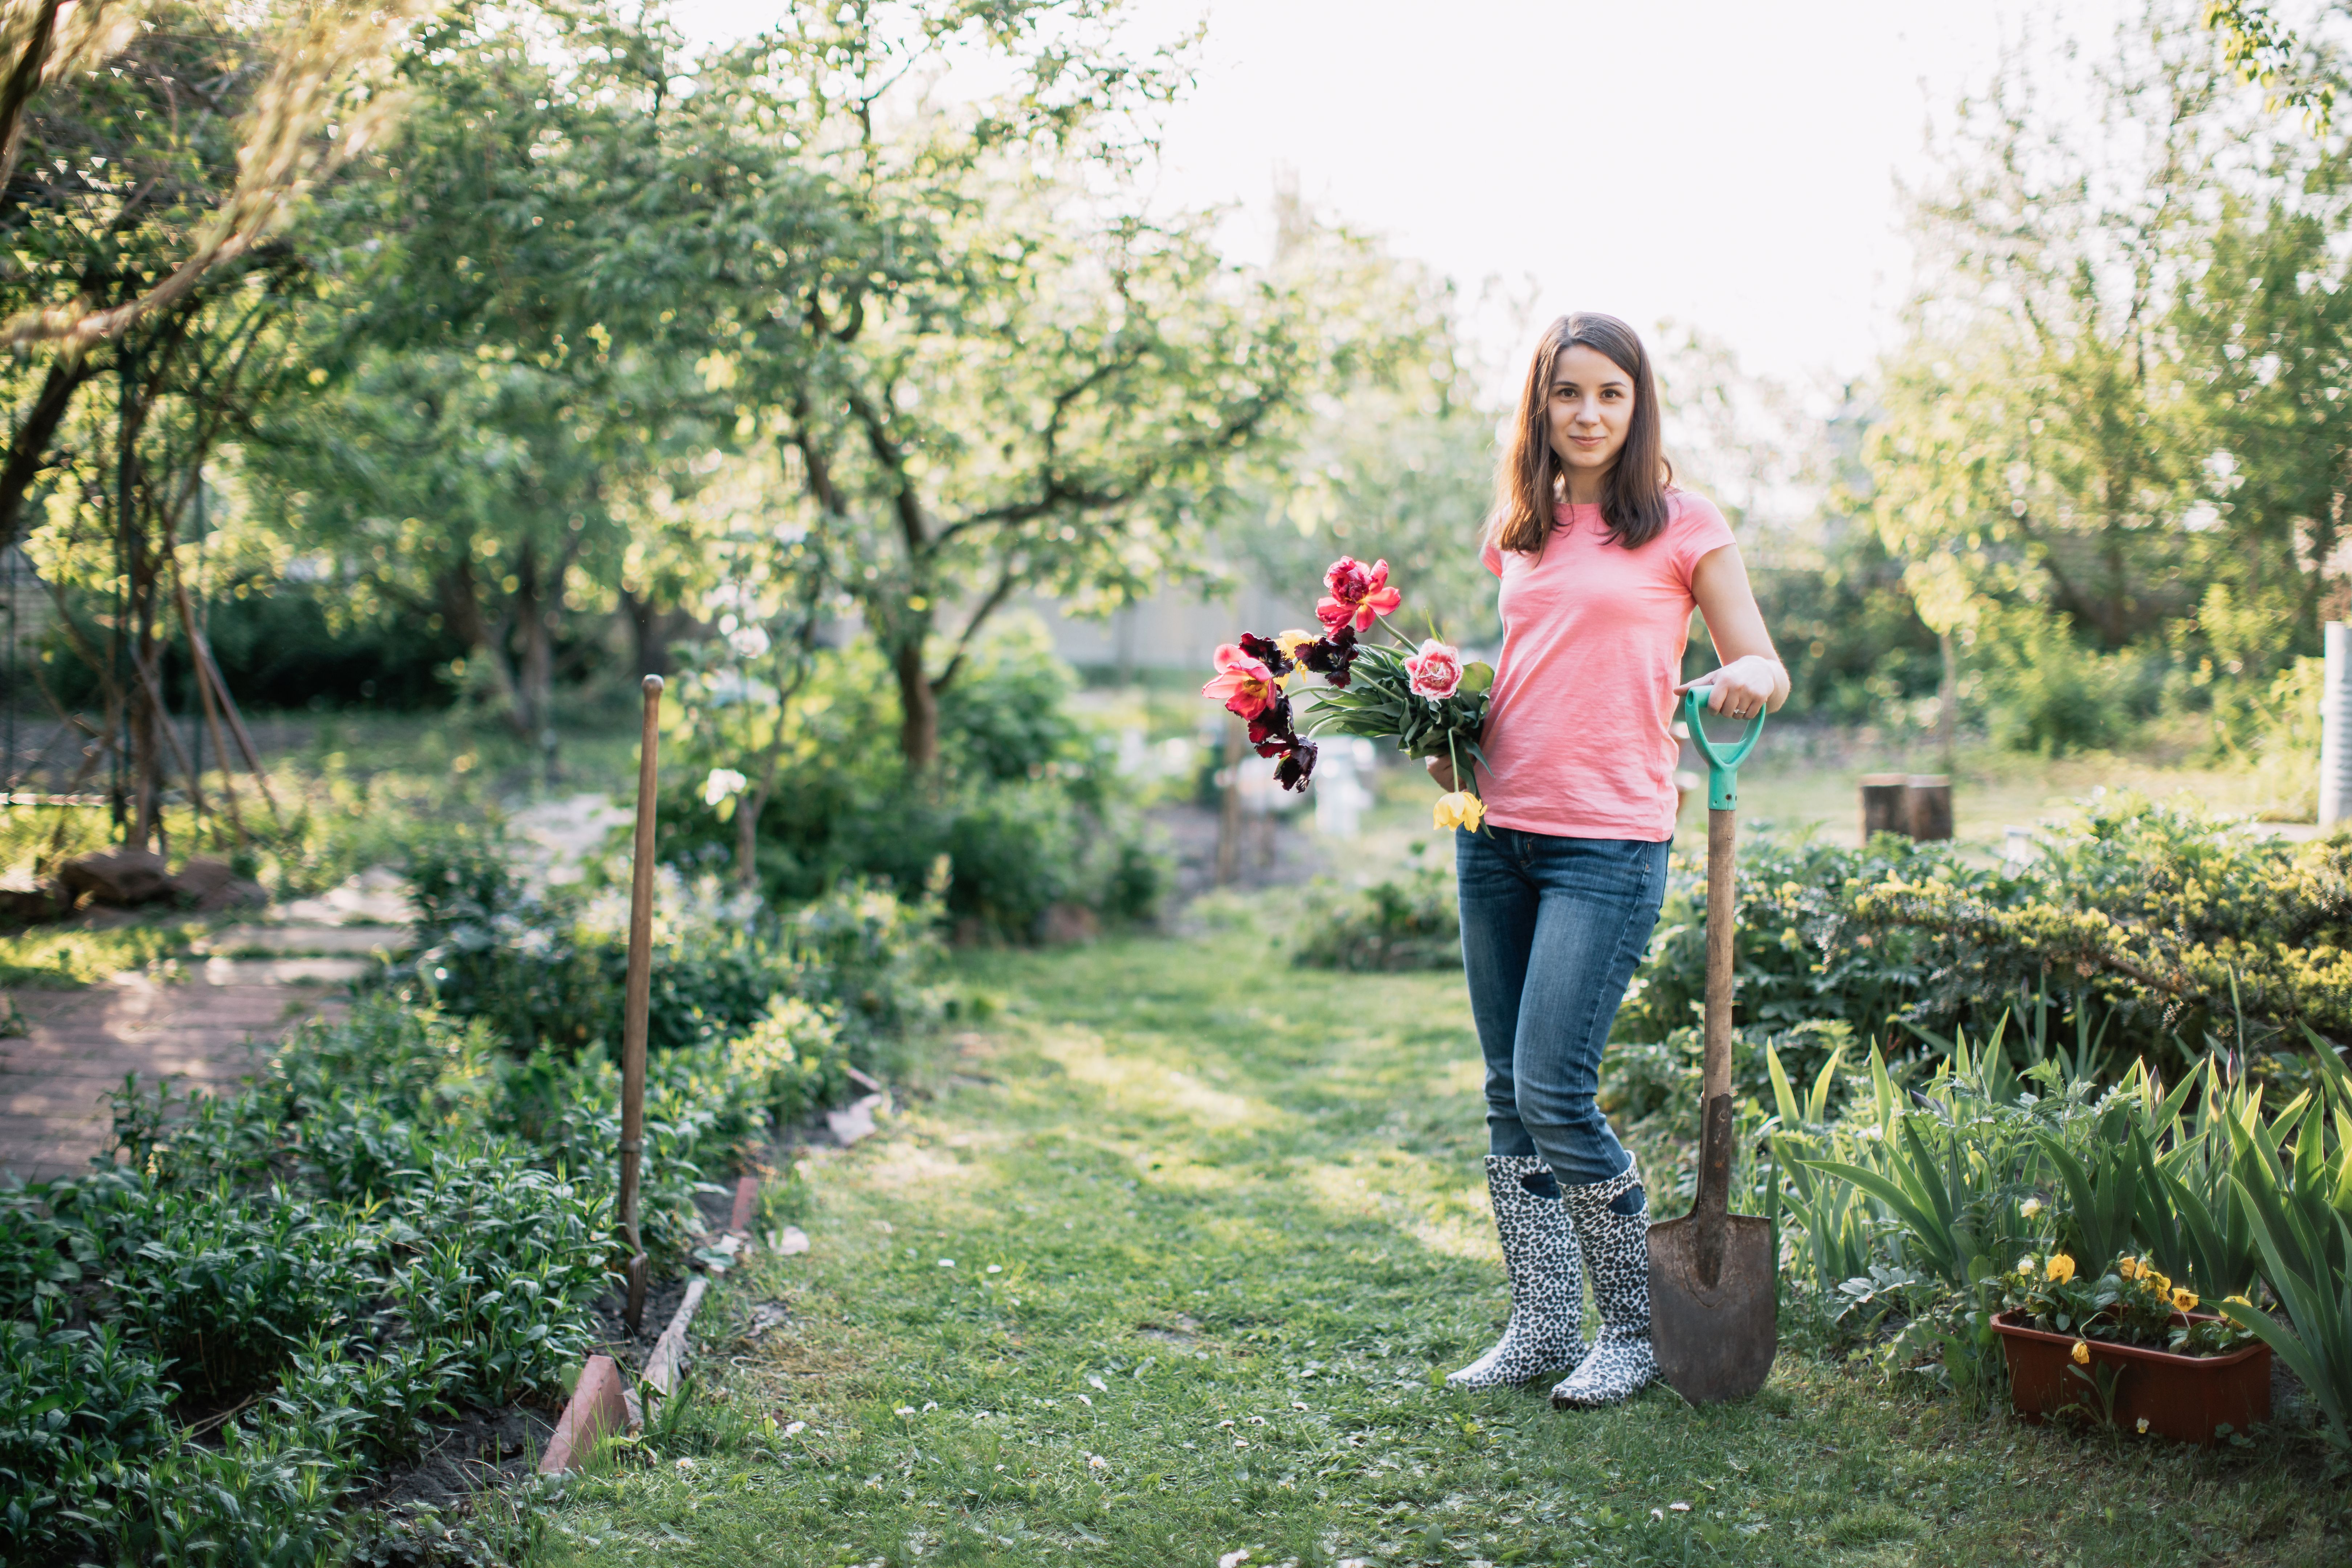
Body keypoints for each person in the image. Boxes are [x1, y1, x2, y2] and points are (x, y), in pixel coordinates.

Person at [1432, 312, 1785, 1408]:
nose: (1588, 414)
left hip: (1610, 837)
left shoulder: (1683, 525)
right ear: (1540, 405)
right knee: (1505, 1097)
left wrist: (1747, 685)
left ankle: (1634, 1328)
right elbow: (1530, 662)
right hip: (1499, 831)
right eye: (1568, 393)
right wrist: (1444, 737)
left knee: (1554, 1088)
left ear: (1639, 407)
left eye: (1610, 395)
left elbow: (1761, 658)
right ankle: (1541, 1324)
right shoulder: (1521, 527)